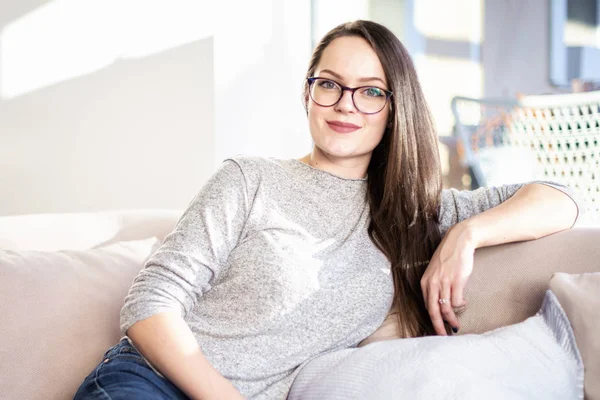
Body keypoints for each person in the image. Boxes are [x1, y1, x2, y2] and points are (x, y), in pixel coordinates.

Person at [73, 20, 579, 400]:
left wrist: (466, 234)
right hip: (147, 384)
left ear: (395, 108)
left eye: (371, 92)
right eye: (330, 84)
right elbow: (149, 303)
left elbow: (561, 197)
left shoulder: (416, 213)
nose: (345, 104)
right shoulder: (249, 179)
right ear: (309, 93)